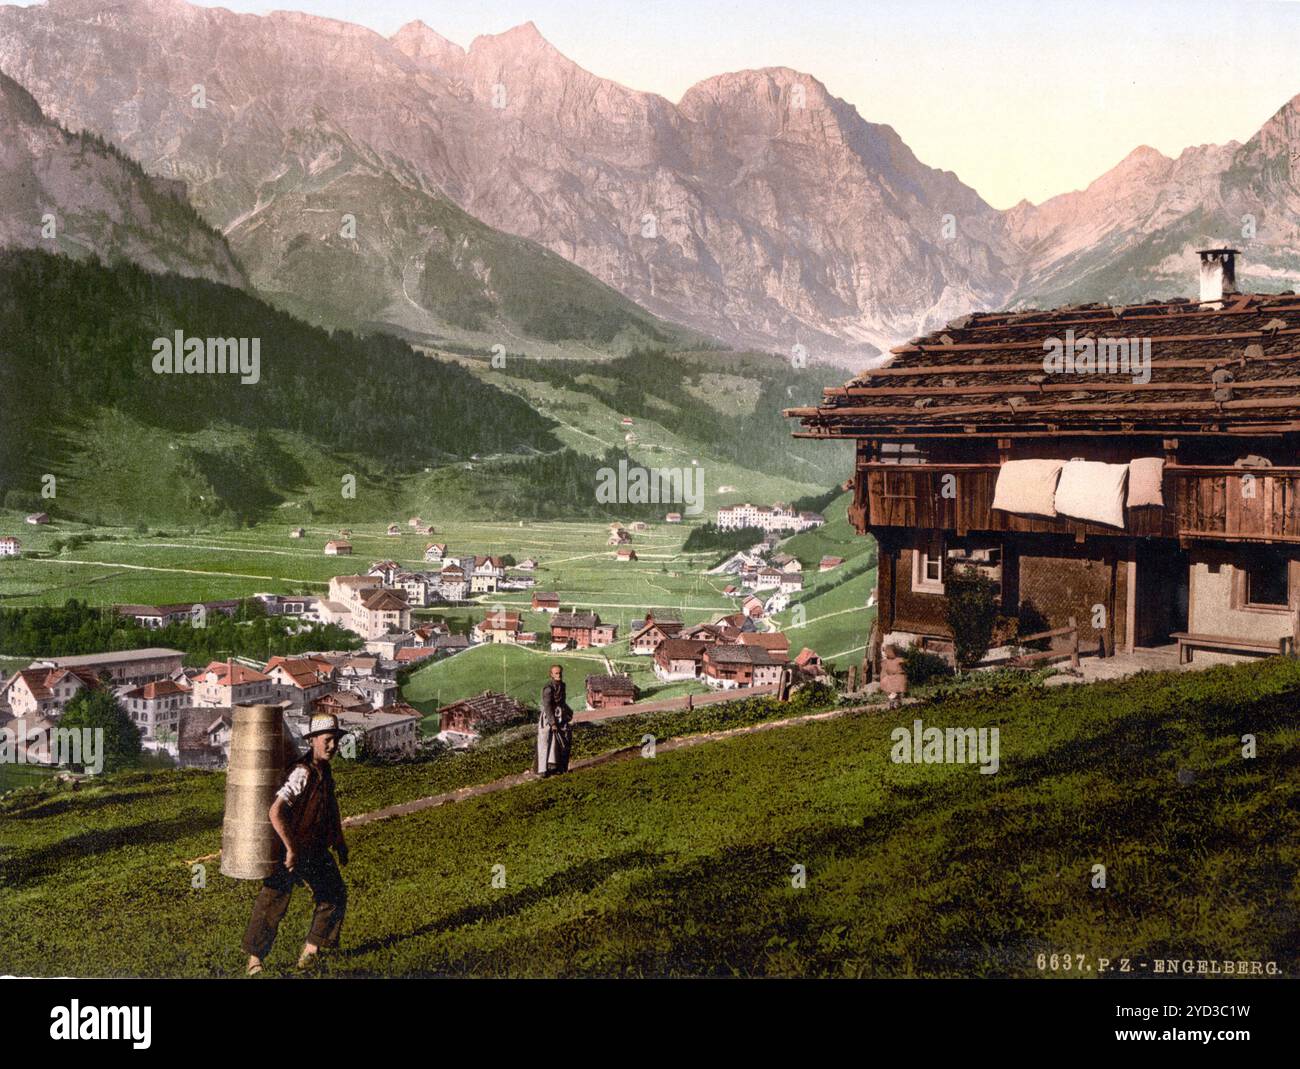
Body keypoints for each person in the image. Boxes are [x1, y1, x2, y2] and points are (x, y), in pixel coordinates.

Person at [243, 713, 349, 975]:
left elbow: (330, 807)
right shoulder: (302, 773)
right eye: (327, 740)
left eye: (335, 740)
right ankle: (254, 961)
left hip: (314, 850)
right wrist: (290, 849)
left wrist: (339, 840)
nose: (333, 746)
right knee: (272, 902)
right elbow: (275, 812)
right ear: (312, 740)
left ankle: (310, 953)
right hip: (290, 851)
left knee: (334, 894)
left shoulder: (325, 770)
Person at [536, 663, 573, 776]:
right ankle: (543, 769)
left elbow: (562, 702)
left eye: (560, 673)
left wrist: (569, 711)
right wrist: (552, 723)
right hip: (549, 715)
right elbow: (547, 706)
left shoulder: (562, 685)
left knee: (561, 739)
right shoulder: (548, 688)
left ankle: (557, 767)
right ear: (551, 675)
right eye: (556, 673)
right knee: (545, 739)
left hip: (560, 714)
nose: (559, 675)